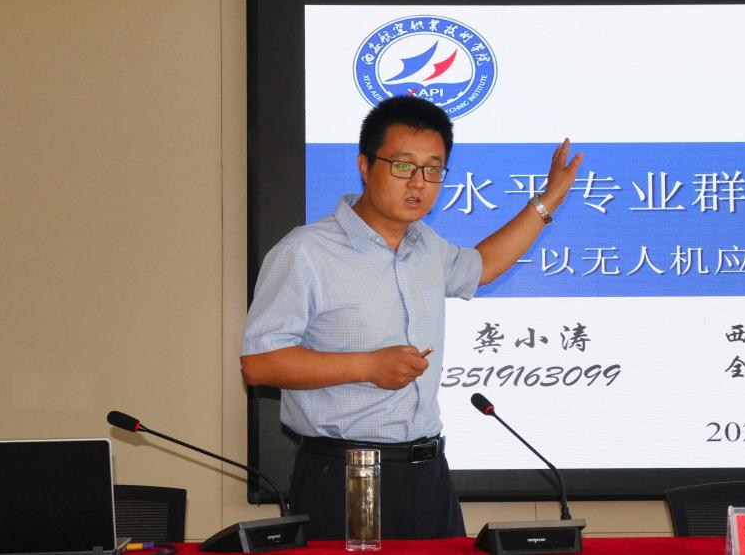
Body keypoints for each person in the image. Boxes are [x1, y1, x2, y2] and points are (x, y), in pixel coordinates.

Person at [240, 95, 582, 539]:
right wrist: (368, 366)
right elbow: (260, 364)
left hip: (428, 473)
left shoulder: (426, 246)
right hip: (345, 475)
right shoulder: (305, 253)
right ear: (365, 166)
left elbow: (483, 266)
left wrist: (549, 199)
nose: (418, 183)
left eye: (433, 169)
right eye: (402, 165)